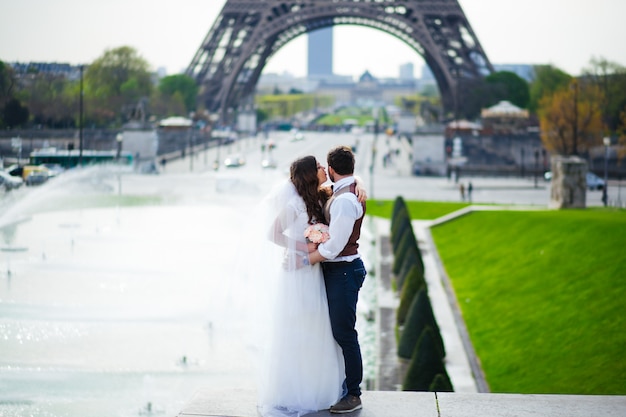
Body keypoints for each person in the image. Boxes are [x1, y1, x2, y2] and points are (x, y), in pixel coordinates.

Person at [256, 155, 365, 417]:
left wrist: (359, 182)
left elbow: (347, 183)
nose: (322, 169)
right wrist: (304, 248)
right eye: (317, 167)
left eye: (323, 165)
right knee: (299, 329)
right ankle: (298, 388)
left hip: (315, 270)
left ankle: (325, 387)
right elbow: (272, 233)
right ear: (309, 174)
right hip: (300, 273)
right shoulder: (295, 203)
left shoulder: (322, 195)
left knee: (321, 331)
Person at [306, 145, 367, 414]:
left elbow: (334, 246)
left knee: (344, 333)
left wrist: (304, 259)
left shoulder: (343, 200)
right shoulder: (348, 190)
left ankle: (353, 394)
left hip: (343, 271)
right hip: (341, 271)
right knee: (341, 333)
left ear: (331, 169)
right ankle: (344, 387)